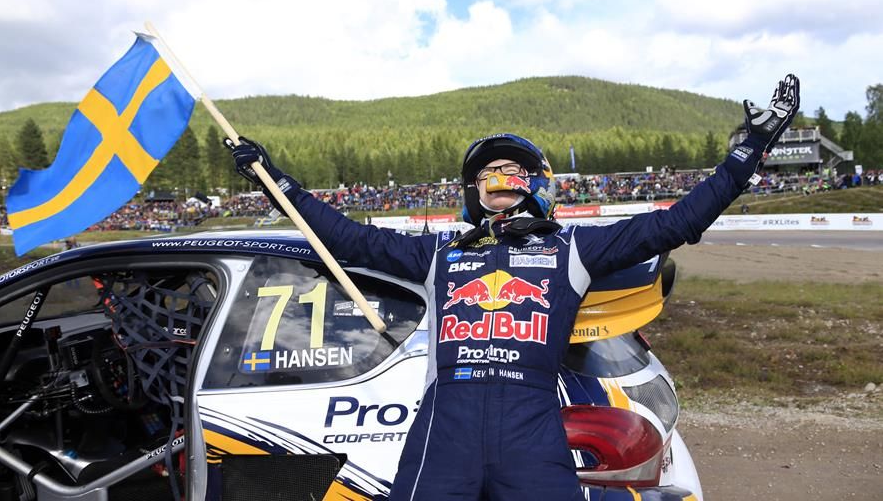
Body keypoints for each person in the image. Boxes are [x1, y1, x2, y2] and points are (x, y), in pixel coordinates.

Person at [227, 75, 800, 501]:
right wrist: (275, 180)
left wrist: (746, 153)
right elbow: (348, 239)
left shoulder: (573, 248)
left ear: (538, 187)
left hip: (530, 421)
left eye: (513, 174)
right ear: (472, 193)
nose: (500, 182)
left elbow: (676, 224)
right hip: (446, 421)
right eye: (487, 176)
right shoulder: (439, 253)